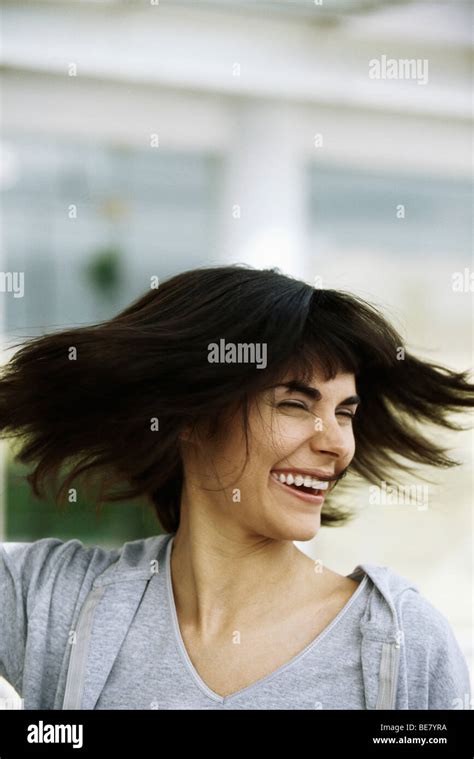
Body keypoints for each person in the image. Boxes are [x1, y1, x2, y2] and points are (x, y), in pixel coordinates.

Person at [0, 265, 472, 710]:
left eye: (344, 413)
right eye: (293, 404)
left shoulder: (402, 643)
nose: (336, 444)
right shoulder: (55, 599)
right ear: (194, 418)